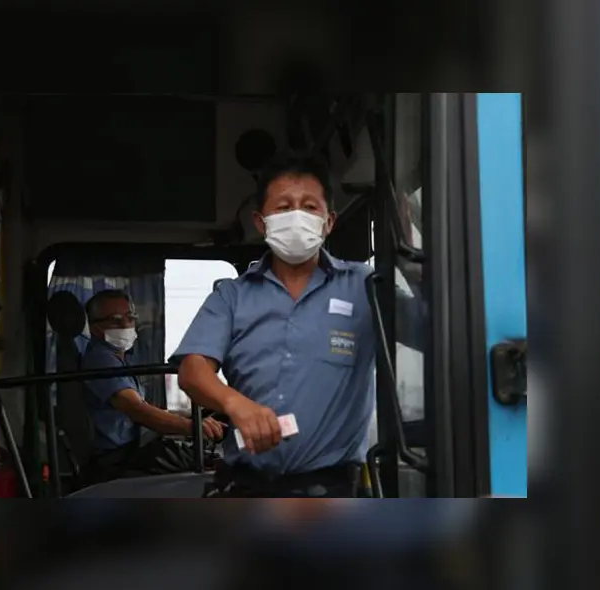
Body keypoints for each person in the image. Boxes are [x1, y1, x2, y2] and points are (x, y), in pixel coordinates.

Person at [171, 150, 424, 498]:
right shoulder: (232, 296)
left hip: (330, 492)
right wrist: (234, 403)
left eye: (309, 207)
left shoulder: (364, 286)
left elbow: (430, 333)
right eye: (283, 207)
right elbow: (192, 370)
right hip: (242, 487)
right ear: (261, 223)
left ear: (328, 222)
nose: (296, 216)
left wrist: (412, 264)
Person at [80, 289, 226, 481]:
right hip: (120, 457)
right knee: (215, 467)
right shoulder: (101, 360)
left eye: (129, 317)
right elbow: (137, 410)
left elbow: (142, 407)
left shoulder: (117, 358)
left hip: (134, 448)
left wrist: (190, 418)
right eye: (115, 320)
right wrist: (192, 427)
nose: (125, 325)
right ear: (95, 327)